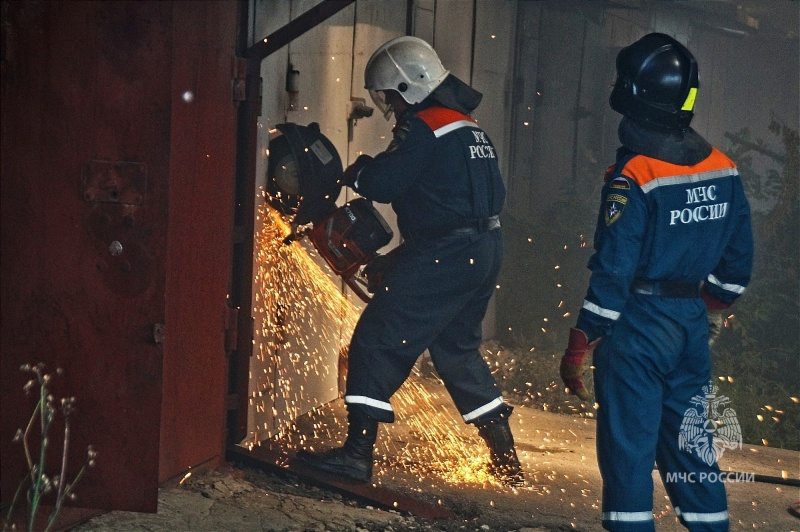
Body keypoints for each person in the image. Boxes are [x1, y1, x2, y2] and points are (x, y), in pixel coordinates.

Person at [297, 36, 523, 486]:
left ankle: (356, 455)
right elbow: (455, 208)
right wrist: (404, 257)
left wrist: (358, 170)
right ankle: (506, 459)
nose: (390, 107)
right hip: (482, 249)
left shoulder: (424, 126)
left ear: (408, 86)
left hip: (446, 254)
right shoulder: (469, 127)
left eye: (389, 97)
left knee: (375, 341)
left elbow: (384, 183)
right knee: (457, 350)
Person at [559, 33, 753, 531]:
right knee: (691, 443)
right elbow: (735, 272)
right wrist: (696, 309)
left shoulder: (636, 174)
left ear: (634, 94)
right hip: (690, 326)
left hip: (638, 326)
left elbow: (614, 272)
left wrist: (582, 338)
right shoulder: (724, 168)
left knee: (629, 447)